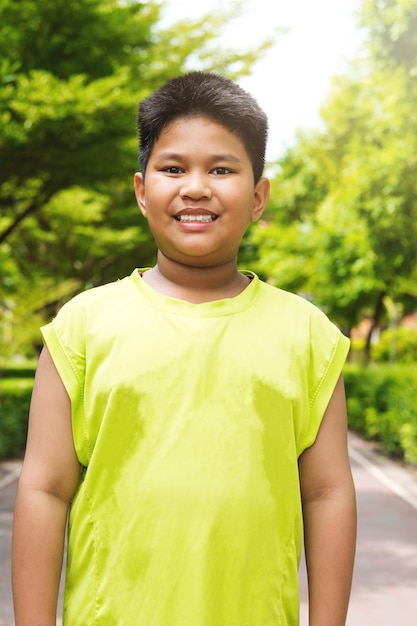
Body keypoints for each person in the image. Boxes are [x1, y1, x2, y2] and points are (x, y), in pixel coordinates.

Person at [12, 71, 356, 625]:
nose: (196, 186)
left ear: (259, 195)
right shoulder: (82, 327)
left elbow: (327, 495)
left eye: (222, 169)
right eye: (173, 168)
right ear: (142, 191)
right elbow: (44, 490)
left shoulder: (309, 336)